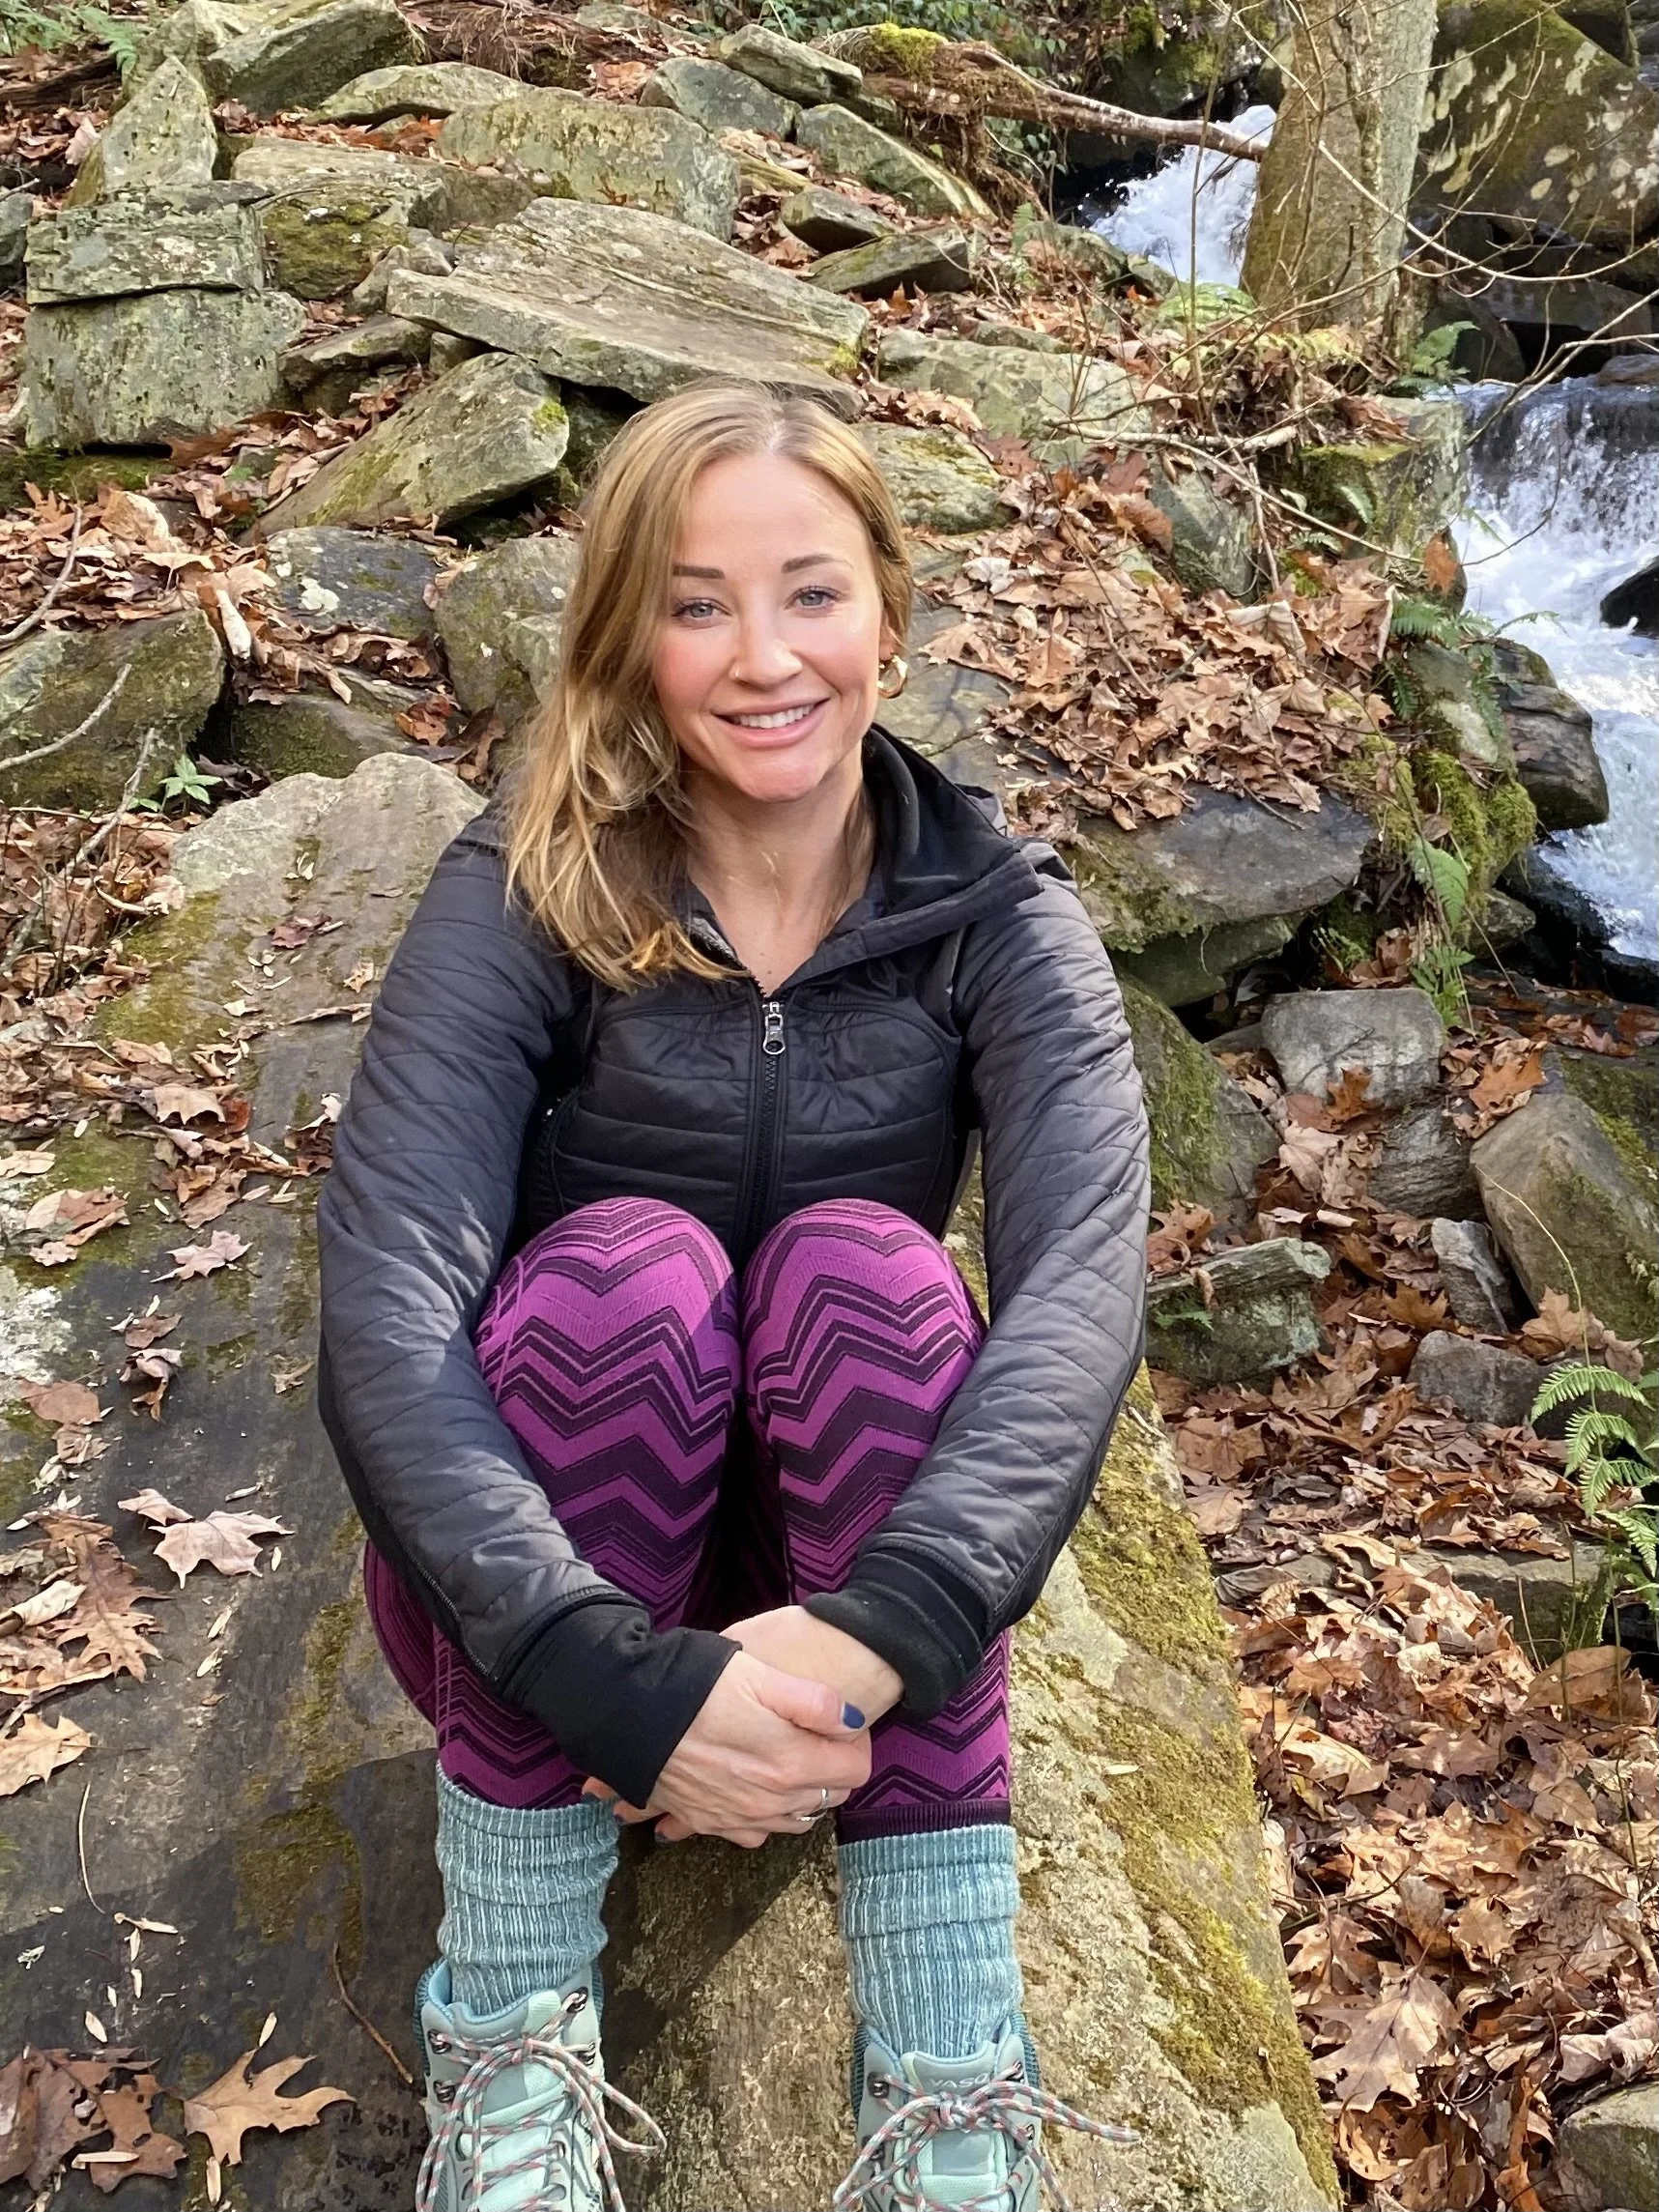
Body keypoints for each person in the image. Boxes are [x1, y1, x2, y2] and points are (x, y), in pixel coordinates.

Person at [318, 380, 1150, 2212]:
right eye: (697, 604)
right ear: (627, 637)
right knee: (633, 1270)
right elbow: (386, 1299)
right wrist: (603, 1677)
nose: (763, 659)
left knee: (870, 1269)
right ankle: (514, 2052)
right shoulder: (526, 886)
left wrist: (874, 1638)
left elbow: (1084, 1291)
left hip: (848, 1609)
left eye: (811, 593)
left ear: (892, 615)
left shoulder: (1002, 912)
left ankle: (949, 2091)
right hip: (549, 1597)